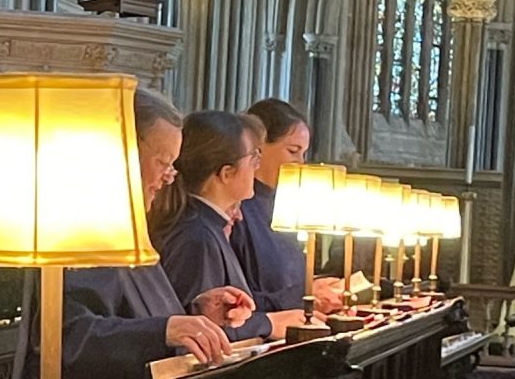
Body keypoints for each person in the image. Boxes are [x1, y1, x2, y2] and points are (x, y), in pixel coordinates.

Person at [24, 89, 255, 379]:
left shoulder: (127, 226)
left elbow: (131, 315)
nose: (169, 177)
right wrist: (166, 329)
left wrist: (196, 312)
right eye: (162, 162)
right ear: (124, 153)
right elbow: (68, 338)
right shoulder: (81, 230)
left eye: (172, 164)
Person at [151, 110, 308, 340]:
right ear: (226, 173)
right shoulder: (197, 237)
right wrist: (269, 323)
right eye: (253, 159)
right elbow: (197, 333)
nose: (257, 167)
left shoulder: (210, 227)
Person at [229, 99, 340, 313]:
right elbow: (236, 300)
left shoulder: (283, 206)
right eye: (293, 151)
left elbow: (288, 279)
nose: (301, 163)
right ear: (258, 147)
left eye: (303, 153)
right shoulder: (236, 208)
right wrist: (304, 296)